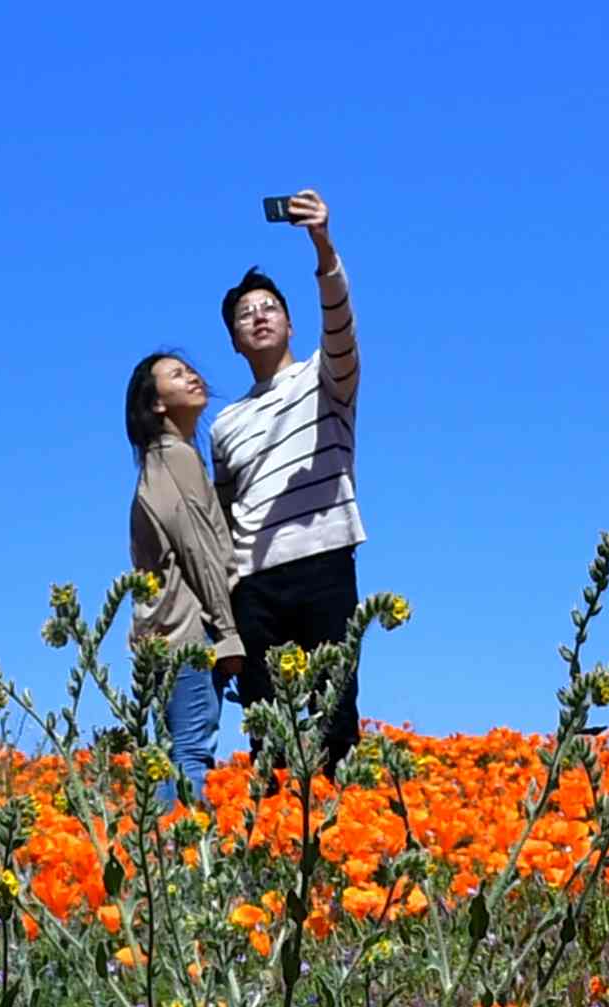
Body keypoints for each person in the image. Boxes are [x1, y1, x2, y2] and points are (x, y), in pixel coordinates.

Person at [206, 188, 363, 773]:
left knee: (335, 716)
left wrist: (322, 245)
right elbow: (222, 519)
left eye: (269, 306)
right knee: (266, 724)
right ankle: (271, 840)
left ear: (292, 322)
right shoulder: (225, 423)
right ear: (234, 339)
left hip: (323, 565)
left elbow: (341, 324)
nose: (258, 316)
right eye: (245, 314)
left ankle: (340, 841)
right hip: (254, 586)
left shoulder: (329, 379)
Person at [122, 350, 245, 810]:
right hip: (187, 636)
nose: (193, 377)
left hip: (162, 637)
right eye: (177, 375)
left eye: (192, 370)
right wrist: (229, 633)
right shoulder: (175, 459)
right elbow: (200, 552)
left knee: (173, 751)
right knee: (192, 751)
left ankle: (165, 856)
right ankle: (187, 859)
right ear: (155, 404)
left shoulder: (163, 462)